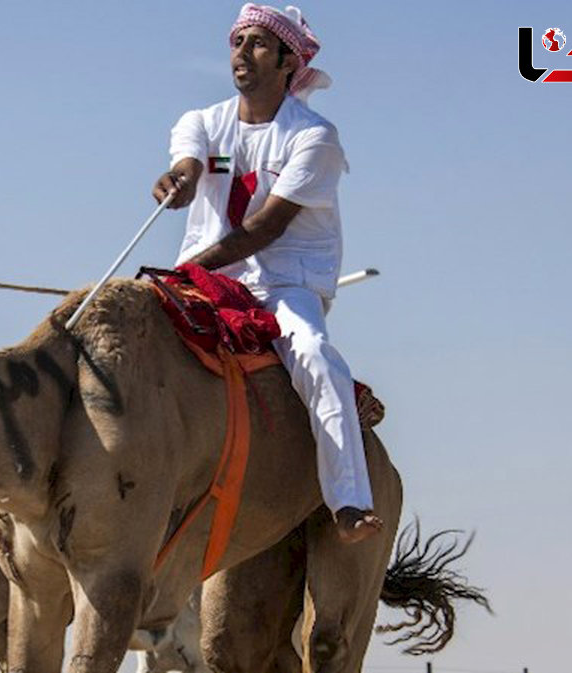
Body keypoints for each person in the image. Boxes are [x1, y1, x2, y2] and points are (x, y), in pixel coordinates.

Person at [152, 3, 381, 543]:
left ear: (287, 62)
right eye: (237, 42)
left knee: (317, 360)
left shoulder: (315, 138)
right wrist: (176, 182)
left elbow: (264, 229)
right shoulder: (201, 121)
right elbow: (187, 164)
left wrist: (182, 273)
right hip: (201, 282)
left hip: (282, 286)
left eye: (257, 44)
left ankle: (348, 503)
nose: (242, 54)